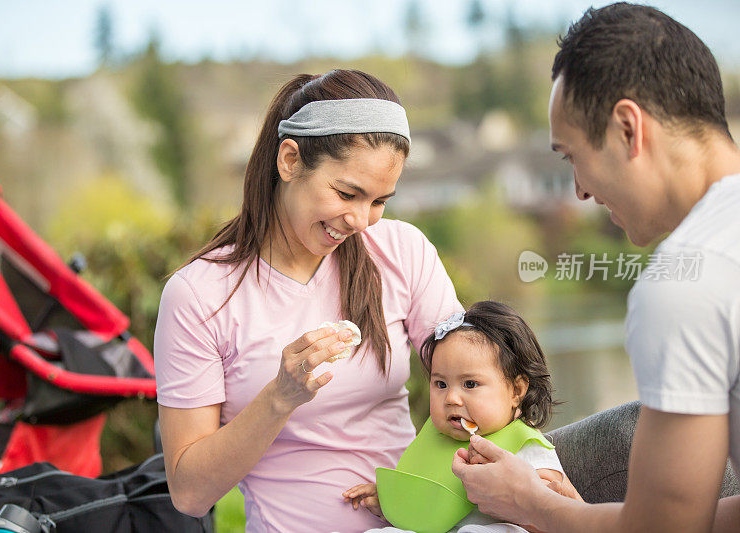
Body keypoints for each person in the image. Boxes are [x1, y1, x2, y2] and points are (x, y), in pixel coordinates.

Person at [451, 4, 740, 532]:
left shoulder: (689, 282)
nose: (579, 189)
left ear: (629, 128)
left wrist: (531, 504)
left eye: (573, 156)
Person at [153, 69, 462, 532]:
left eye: (380, 201)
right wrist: (280, 397)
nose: (362, 219)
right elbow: (189, 493)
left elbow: (476, 380)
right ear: (290, 160)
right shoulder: (199, 296)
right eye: (347, 193)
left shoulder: (401, 251)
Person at [344, 301, 565, 532]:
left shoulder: (527, 445)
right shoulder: (435, 436)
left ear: (516, 391)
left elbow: (550, 517)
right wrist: (391, 502)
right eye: (441, 384)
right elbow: (428, 505)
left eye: (470, 384)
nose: (451, 398)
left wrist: (516, 500)